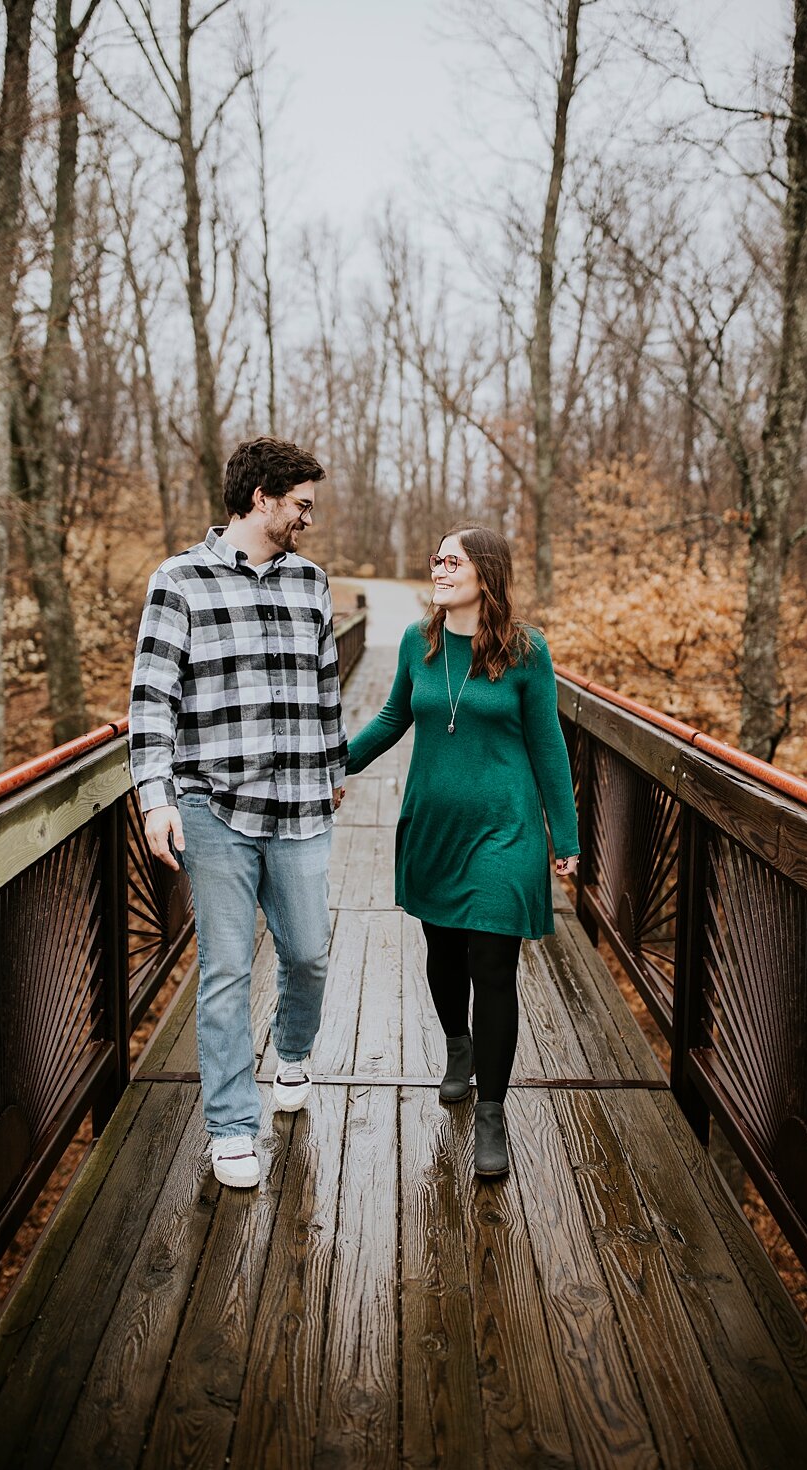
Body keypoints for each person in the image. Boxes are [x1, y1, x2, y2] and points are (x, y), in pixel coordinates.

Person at [129, 436, 348, 1189]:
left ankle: (291, 1052)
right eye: (301, 504)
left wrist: (334, 765)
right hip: (212, 806)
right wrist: (154, 798)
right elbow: (151, 699)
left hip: (299, 806)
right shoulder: (179, 580)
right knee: (224, 967)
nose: (308, 518)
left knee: (309, 952)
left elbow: (326, 687)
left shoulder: (311, 583)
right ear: (261, 498)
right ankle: (231, 1125)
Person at [346, 525, 579, 1177]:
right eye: (436, 557)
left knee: (493, 959)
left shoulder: (527, 652)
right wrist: (336, 766)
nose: (439, 568)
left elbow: (549, 746)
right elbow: (393, 718)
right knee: (444, 952)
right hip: (434, 827)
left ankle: (492, 1114)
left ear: (486, 574)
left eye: (453, 560)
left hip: (506, 830)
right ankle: (457, 1043)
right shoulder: (417, 646)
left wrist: (567, 835)